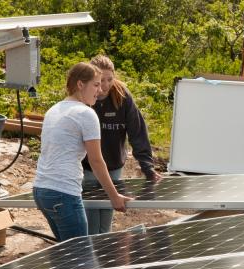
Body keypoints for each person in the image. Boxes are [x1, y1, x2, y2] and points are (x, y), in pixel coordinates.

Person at [33, 62, 131, 242]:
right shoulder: (86, 113)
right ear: (80, 84)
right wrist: (114, 196)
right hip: (63, 193)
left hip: (41, 191)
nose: (100, 90)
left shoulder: (54, 110)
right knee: (81, 258)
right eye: (95, 84)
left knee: (67, 254)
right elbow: (96, 161)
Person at [82, 55, 161, 235]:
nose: (106, 84)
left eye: (110, 79)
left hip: (114, 164)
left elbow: (138, 132)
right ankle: (93, 252)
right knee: (93, 215)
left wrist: (147, 166)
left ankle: (104, 252)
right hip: (89, 166)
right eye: (101, 80)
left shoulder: (122, 96)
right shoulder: (84, 98)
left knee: (109, 210)